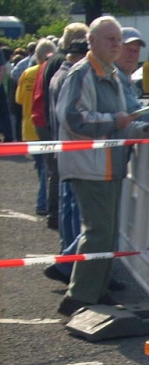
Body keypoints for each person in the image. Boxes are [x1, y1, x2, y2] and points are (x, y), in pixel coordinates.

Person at [55, 16, 149, 317]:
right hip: (90, 165)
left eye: (118, 39)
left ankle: (94, 291)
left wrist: (143, 129)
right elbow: (73, 118)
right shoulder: (82, 74)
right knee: (100, 231)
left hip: (108, 165)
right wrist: (116, 122)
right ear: (91, 42)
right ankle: (79, 297)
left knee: (107, 231)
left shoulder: (113, 75)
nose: (116, 45)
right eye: (110, 39)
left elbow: (124, 120)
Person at [34, 22, 89, 229]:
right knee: (66, 190)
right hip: (65, 137)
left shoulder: (53, 64)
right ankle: (54, 215)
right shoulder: (67, 69)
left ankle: (53, 215)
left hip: (52, 127)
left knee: (56, 177)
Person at [16, 38, 57, 216]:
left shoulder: (27, 73)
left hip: (28, 127)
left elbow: (18, 99)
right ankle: (43, 203)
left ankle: (44, 201)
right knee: (46, 169)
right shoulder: (49, 73)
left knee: (41, 166)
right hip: (42, 126)